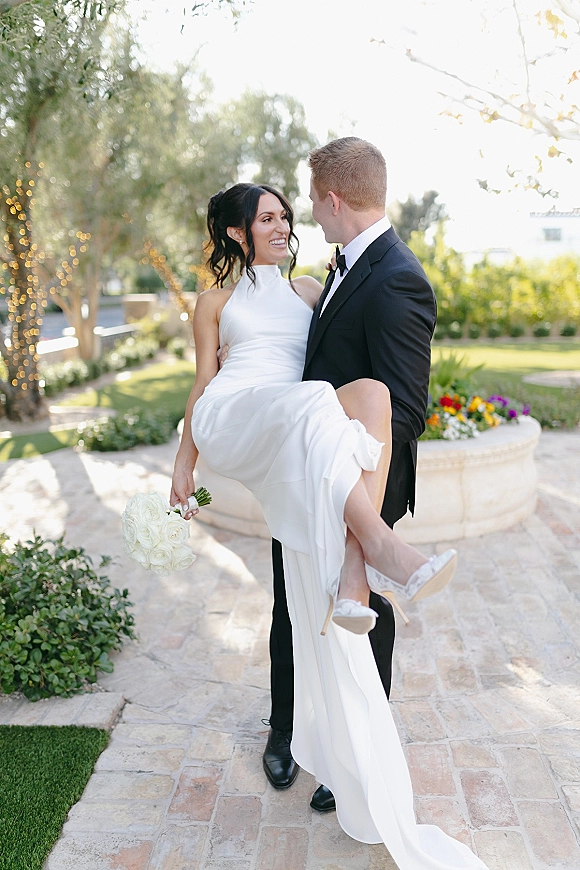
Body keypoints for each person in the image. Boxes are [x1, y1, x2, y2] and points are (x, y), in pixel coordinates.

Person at [171, 169, 489, 867]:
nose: (283, 226)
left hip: (298, 434)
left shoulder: (310, 291)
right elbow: (203, 383)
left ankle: (356, 582)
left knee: (366, 396)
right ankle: (379, 551)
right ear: (234, 231)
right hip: (236, 417)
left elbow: (346, 364)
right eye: (266, 219)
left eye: (287, 216)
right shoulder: (214, 299)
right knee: (315, 402)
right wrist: (183, 463)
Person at [264, 138, 440, 813]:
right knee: (291, 603)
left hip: (360, 482)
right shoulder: (344, 266)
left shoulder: (397, 275)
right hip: (302, 472)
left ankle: (358, 749)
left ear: (334, 200)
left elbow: (404, 410)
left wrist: (362, 518)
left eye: (311, 202)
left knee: (360, 611)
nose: (309, 214)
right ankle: (285, 731)